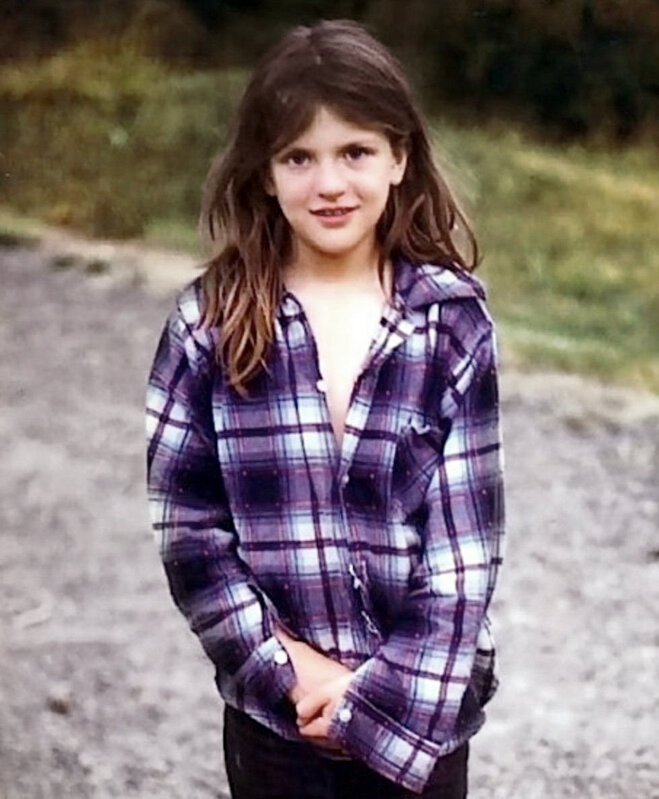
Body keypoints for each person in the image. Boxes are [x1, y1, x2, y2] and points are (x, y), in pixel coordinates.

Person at [145, 19, 504, 799]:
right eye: (299, 157)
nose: (329, 183)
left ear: (399, 158)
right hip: (280, 718)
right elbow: (190, 531)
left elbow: (465, 551)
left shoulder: (451, 323)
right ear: (264, 173)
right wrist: (289, 667)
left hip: (422, 715)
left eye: (355, 152)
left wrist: (373, 699)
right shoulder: (209, 325)